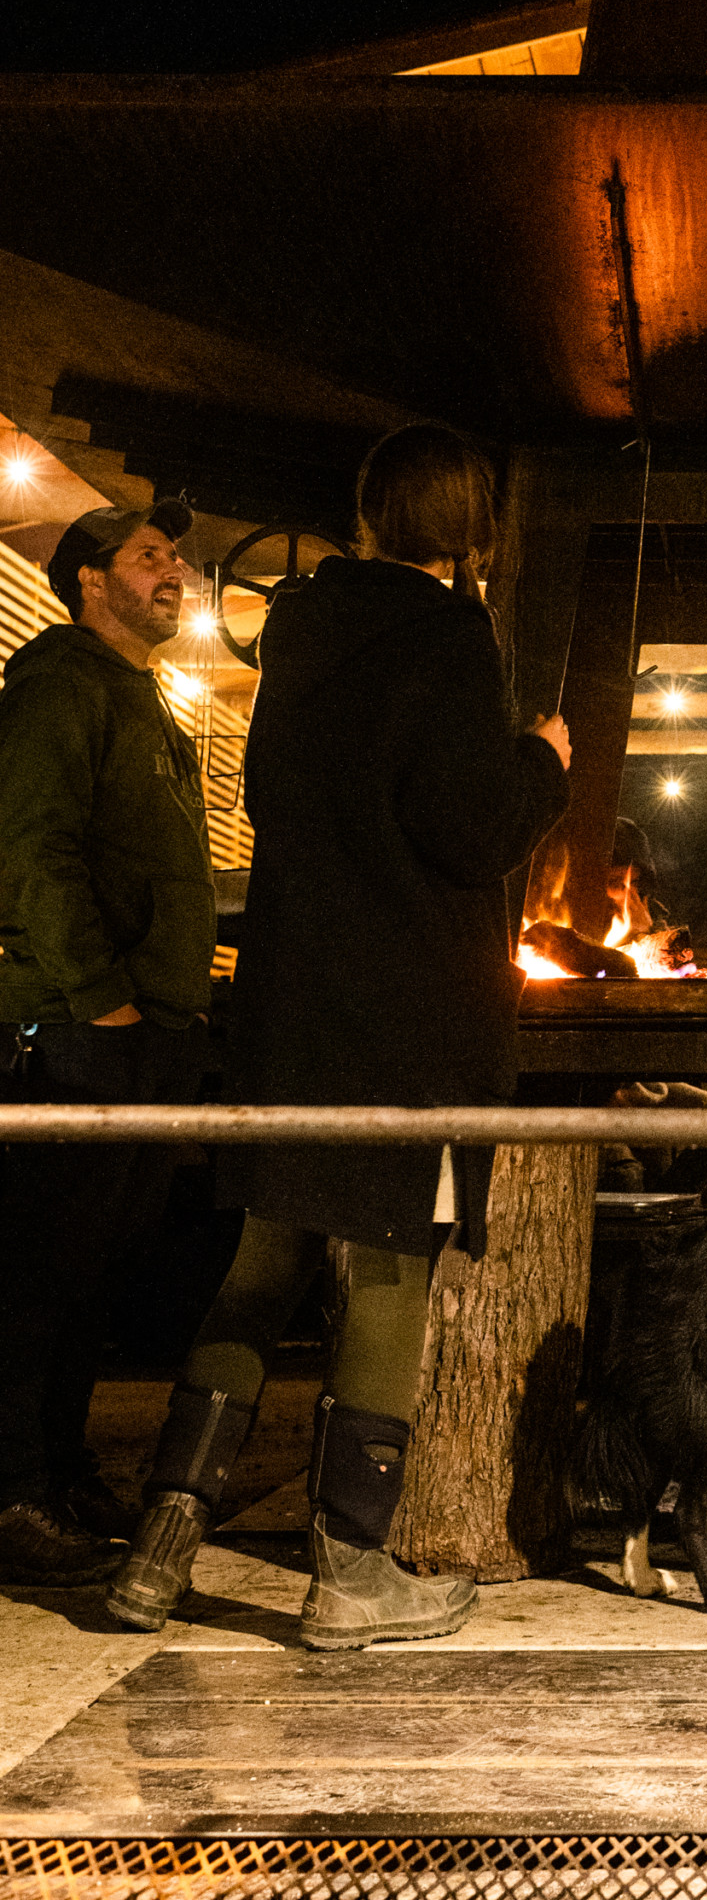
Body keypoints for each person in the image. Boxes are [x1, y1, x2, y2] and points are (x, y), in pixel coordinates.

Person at [106, 425, 572, 1647]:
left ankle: (158, 1549)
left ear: (367, 512)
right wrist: (542, 760)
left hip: (291, 999)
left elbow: (277, 798)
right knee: (386, 1273)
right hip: (406, 1012)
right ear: (471, 530)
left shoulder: (302, 627)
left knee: (260, 1264)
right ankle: (351, 1573)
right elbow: (470, 828)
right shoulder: (448, 635)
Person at [0, 499, 213, 1586]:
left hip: (144, 1031)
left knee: (96, 1270)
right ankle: (12, 1492)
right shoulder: (57, 688)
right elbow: (34, 853)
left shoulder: (144, 699)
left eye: (174, 554)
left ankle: (61, 1467)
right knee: (39, 1268)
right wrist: (102, 1000)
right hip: (79, 1030)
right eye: (148, 555)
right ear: (90, 580)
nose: (173, 568)